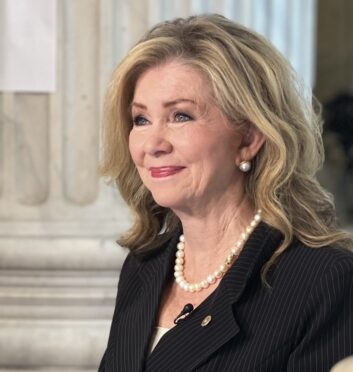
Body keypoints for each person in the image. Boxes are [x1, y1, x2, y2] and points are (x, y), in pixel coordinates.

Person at [98, 14, 353, 372]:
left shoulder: (325, 279)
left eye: (180, 116)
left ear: (248, 138)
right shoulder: (145, 267)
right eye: (141, 120)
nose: (152, 144)